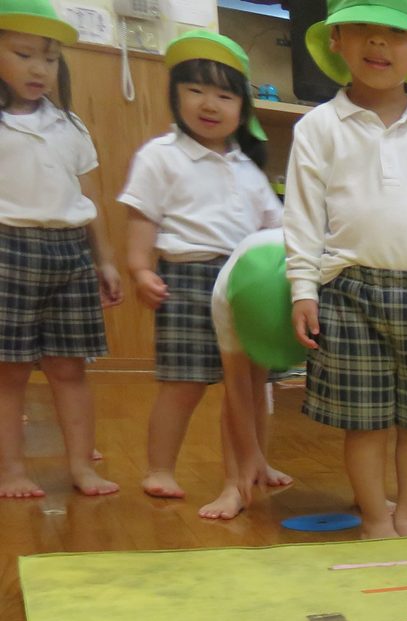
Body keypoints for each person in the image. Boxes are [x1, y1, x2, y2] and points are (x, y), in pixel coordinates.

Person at [284, 0, 407, 539]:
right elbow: (302, 216)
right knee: (364, 419)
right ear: (336, 40)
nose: (378, 43)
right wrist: (302, 289)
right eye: (362, 30)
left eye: (397, 34)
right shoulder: (318, 127)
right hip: (349, 291)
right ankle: (376, 517)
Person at [120, 30, 284, 502]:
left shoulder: (248, 169)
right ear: (175, 96)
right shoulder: (160, 156)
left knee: (250, 387)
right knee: (183, 383)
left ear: (242, 108)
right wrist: (140, 270)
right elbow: (141, 219)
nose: (209, 104)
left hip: (243, 285)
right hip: (187, 280)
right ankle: (159, 467)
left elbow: (275, 231)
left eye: (225, 95)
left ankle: (255, 460)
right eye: (195, 90)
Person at [0, 0, 121, 499]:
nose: (39, 69)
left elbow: (89, 199)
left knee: (70, 368)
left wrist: (105, 260)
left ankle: (81, 467)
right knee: (9, 374)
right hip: (8, 251)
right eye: (23, 54)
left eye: (49, 59)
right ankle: (11, 471)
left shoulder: (70, 126)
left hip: (70, 253)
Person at [199, 227, 303, 519]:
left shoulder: (327, 286)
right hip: (251, 291)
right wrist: (248, 453)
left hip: (305, 285)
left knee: (259, 379)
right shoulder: (227, 296)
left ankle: (366, 490)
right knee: (245, 381)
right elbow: (236, 387)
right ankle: (234, 484)